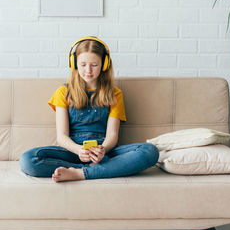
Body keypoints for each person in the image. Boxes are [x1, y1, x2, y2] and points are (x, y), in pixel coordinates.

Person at [19, 36, 159, 182]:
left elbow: (112, 134)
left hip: (103, 151)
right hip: (73, 150)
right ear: (74, 64)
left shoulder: (115, 94)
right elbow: (62, 136)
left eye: (94, 65)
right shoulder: (63, 92)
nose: (88, 70)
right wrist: (79, 150)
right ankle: (100, 170)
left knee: (150, 151)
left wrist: (102, 150)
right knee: (28, 160)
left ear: (104, 65)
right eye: (83, 64)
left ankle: (80, 173)